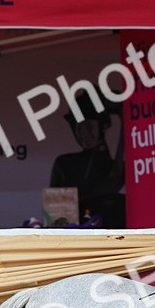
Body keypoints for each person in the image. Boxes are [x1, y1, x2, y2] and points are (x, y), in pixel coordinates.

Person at [49, 95, 125, 228]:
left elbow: (113, 183)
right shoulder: (64, 164)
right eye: (79, 128)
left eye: (89, 126)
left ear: (103, 126)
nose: (84, 134)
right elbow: (56, 220)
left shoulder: (115, 170)